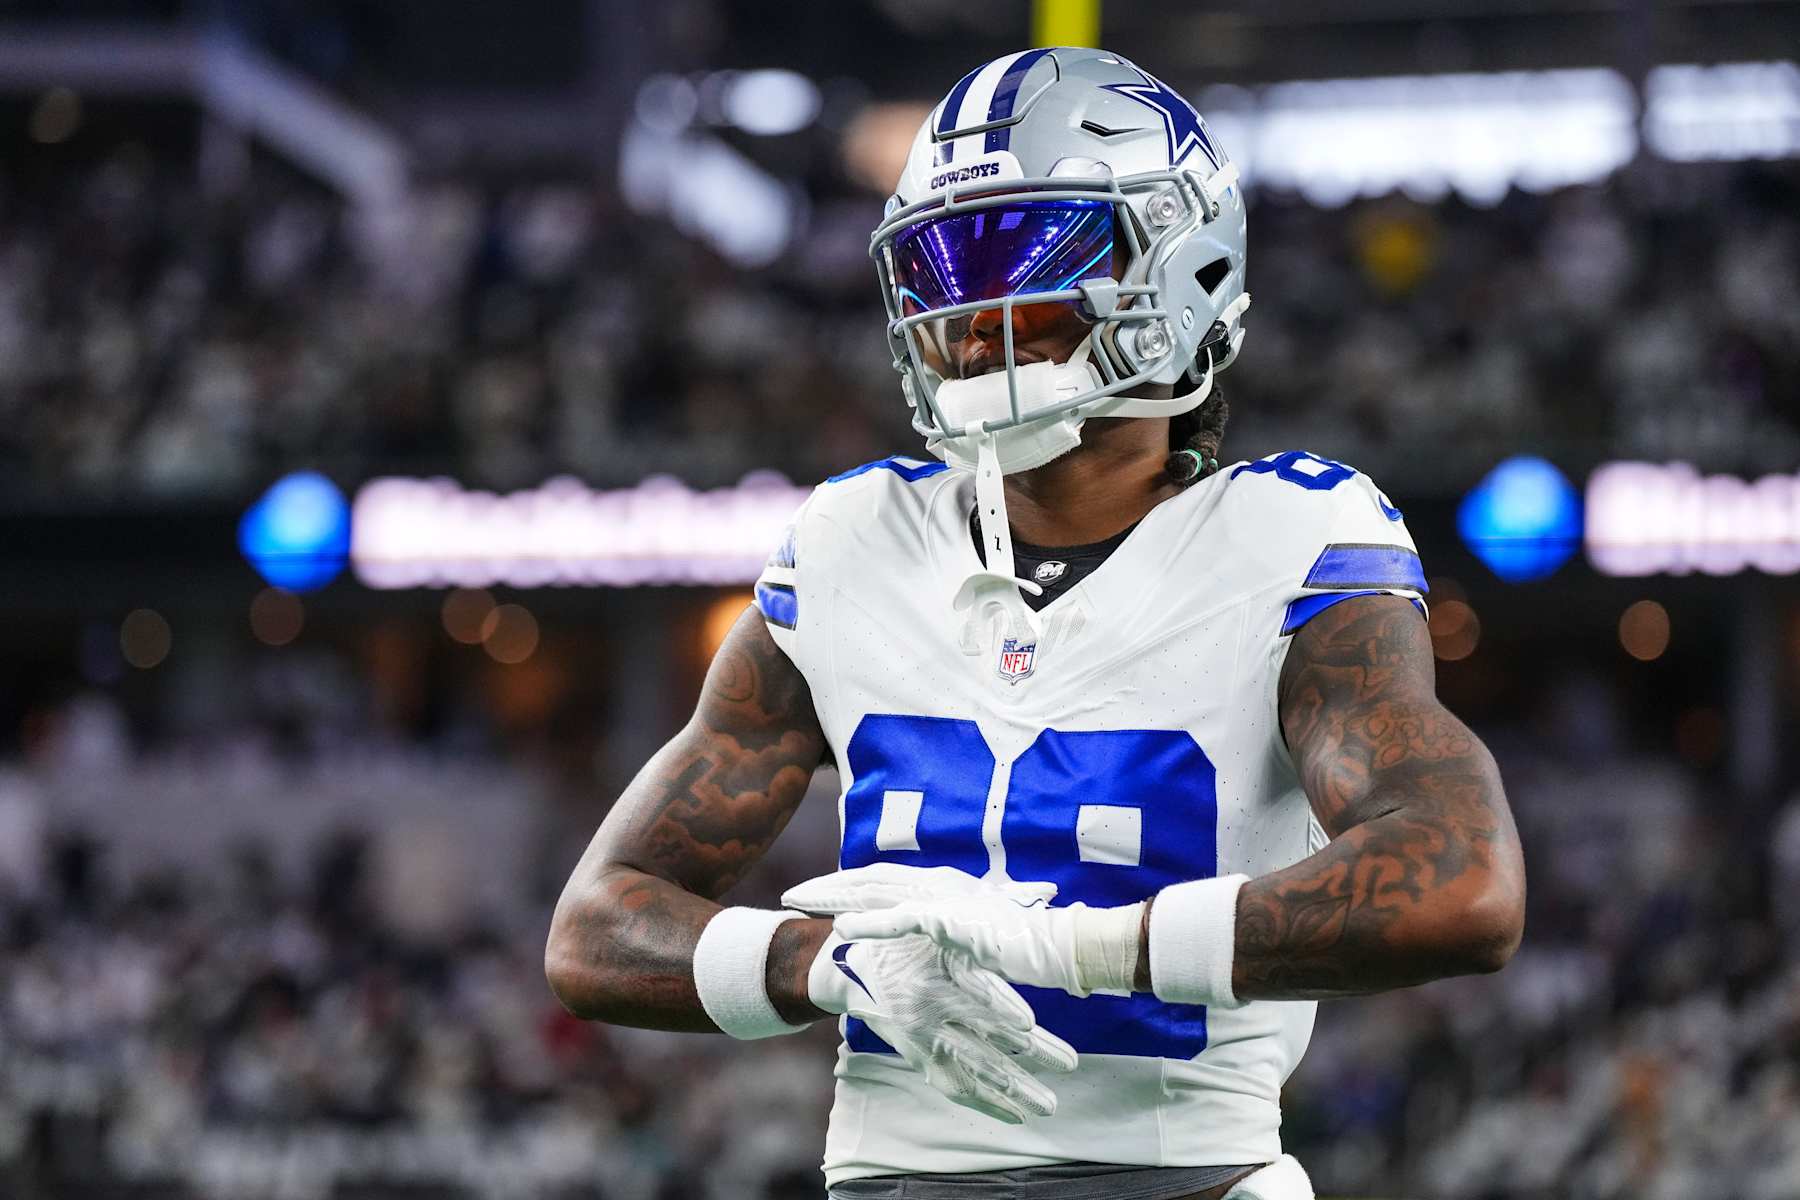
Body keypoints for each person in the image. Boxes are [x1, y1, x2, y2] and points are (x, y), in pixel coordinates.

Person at [546, 47, 1526, 1200]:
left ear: (1178, 264)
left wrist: (1076, 947)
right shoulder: (854, 538)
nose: (974, 311)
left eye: (1028, 254)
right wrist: (828, 963)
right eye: (945, 262)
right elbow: (594, 930)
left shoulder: (1289, 537)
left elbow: (1465, 885)